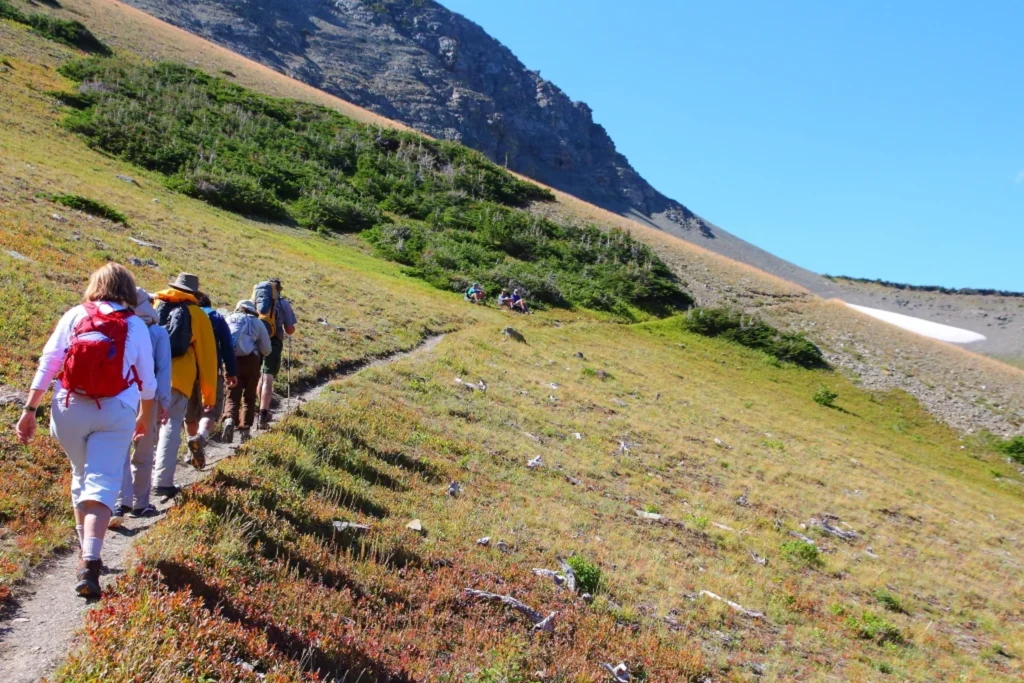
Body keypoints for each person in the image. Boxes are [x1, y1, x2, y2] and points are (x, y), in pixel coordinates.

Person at [15, 263, 157, 597]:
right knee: (103, 480)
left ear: (95, 285)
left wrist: (29, 409)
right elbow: (147, 382)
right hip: (117, 409)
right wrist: (143, 417)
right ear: (128, 290)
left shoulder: (75, 315)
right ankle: (91, 561)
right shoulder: (134, 325)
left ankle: (84, 549)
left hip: (68, 407)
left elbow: (49, 363)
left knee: (81, 474)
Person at [151, 273, 217, 498]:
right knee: (170, 427)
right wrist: (209, 396)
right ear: (195, 293)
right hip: (178, 380)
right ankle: (162, 481)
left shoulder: (156, 304)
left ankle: (135, 487)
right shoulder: (197, 314)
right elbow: (207, 358)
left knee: (146, 428)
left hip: (147, 375)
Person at [111, 288, 172, 527]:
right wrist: (164, 402)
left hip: (120, 397)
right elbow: (163, 369)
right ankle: (140, 503)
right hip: (149, 397)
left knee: (120, 451)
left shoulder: (120, 326)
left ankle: (118, 502)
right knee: (144, 453)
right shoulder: (157, 331)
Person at [184, 293, 238, 451]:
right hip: (210, 371)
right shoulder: (216, 317)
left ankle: (191, 451)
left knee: (189, 415)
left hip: (187, 371)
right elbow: (227, 347)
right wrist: (231, 372)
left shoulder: (185, 314)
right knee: (210, 410)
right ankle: (200, 438)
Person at [224, 299, 271, 443]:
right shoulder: (257, 322)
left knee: (232, 394)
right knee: (249, 396)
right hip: (251, 362)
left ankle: (229, 420)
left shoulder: (228, 318)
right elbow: (267, 350)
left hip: (231, 361)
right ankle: (245, 430)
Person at [255, 278, 296, 430]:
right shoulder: (283, 303)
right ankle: (263, 414)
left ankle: (260, 409)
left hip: (256, 340)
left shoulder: (257, 300)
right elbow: (290, 329)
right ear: (279, 289)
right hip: (273, 341)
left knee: (260, 376)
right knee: (268, 378)